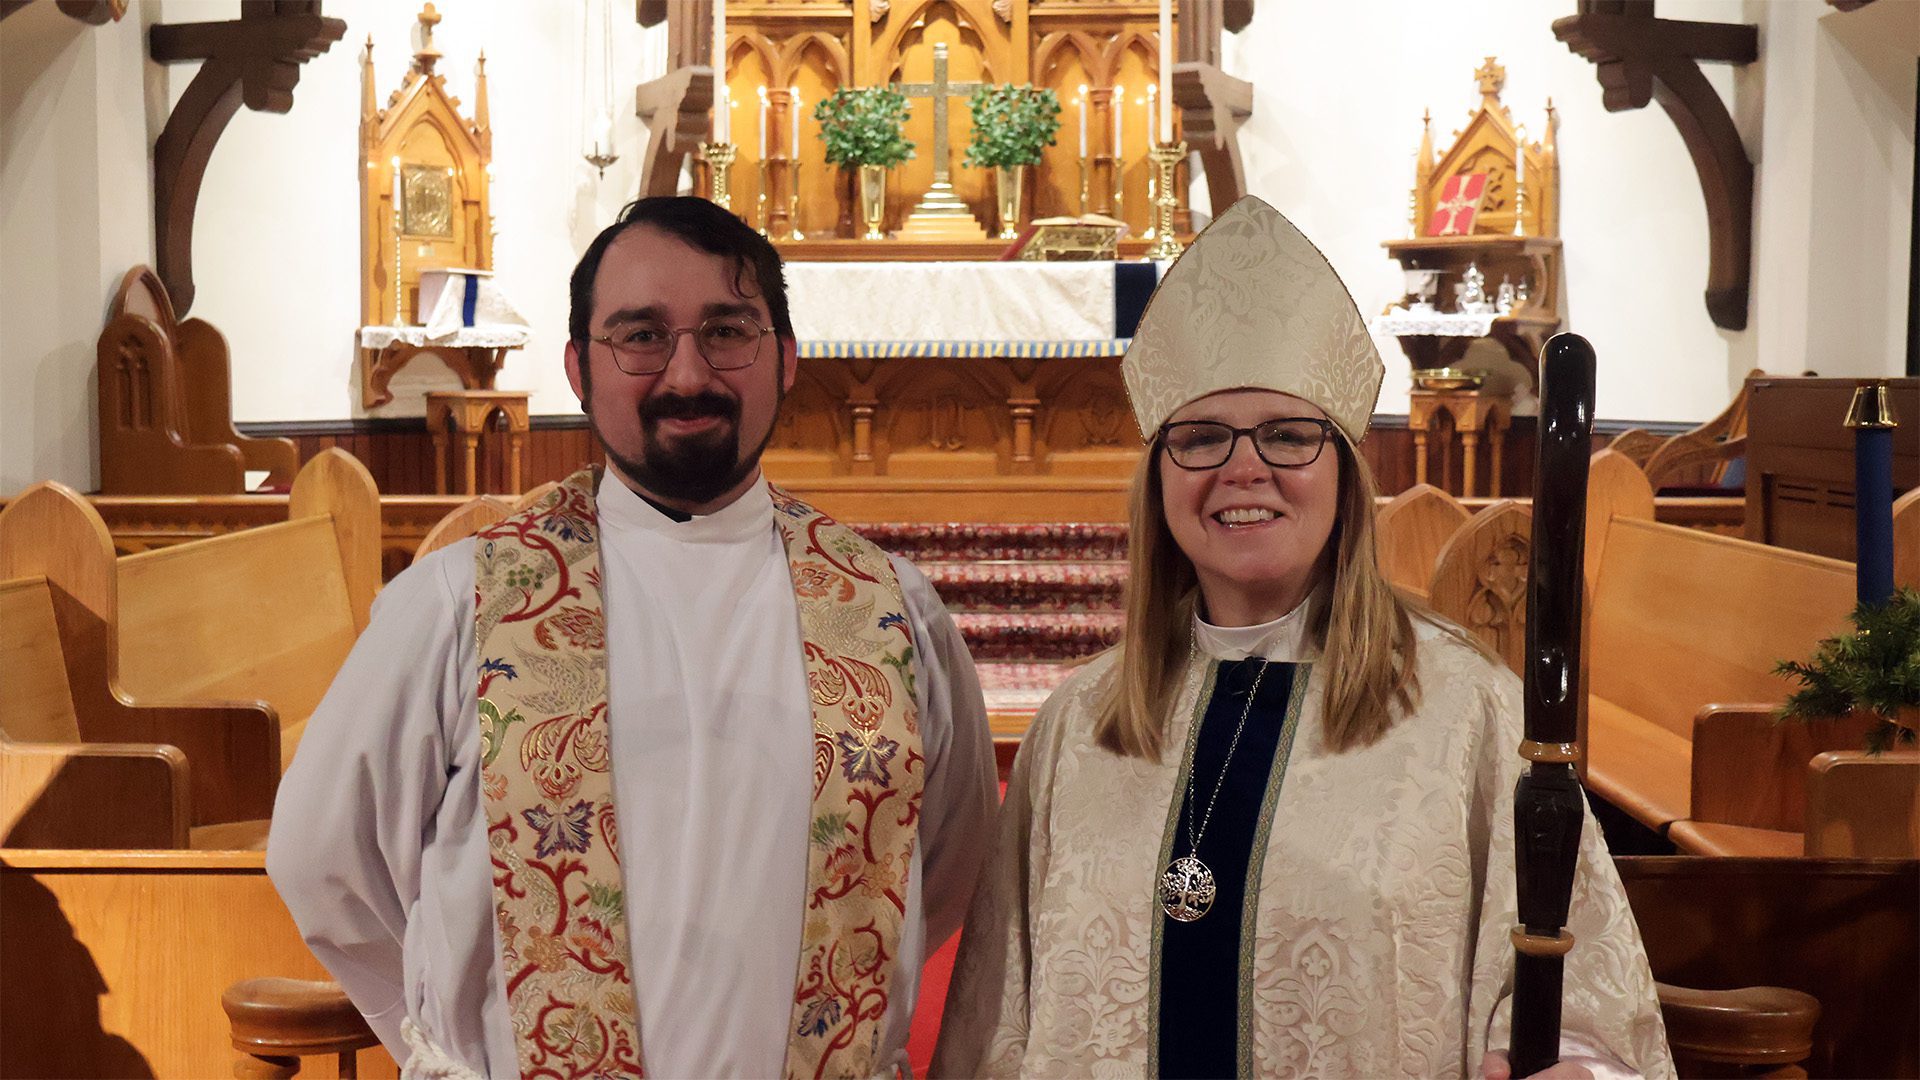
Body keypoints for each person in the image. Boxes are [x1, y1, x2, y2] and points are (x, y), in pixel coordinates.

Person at [930, 196, 1674, 1080]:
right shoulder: (1078, 723)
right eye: (1200, 438)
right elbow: (995, 1025)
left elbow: (1581, 999)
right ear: (1159, 478)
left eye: (1287, 435)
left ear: (1346, 473)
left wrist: (1577, 1070)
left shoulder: (1465, 711)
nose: (1245, 468)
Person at [268, 196, 997, 1079]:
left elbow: (950, 857)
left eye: (728, 331)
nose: (687, 374)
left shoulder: (892, 612)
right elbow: (323, 861)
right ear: (580, 367)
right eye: (641, 336)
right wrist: (440, 1046)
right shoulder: (460, 604)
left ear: (788, 359)